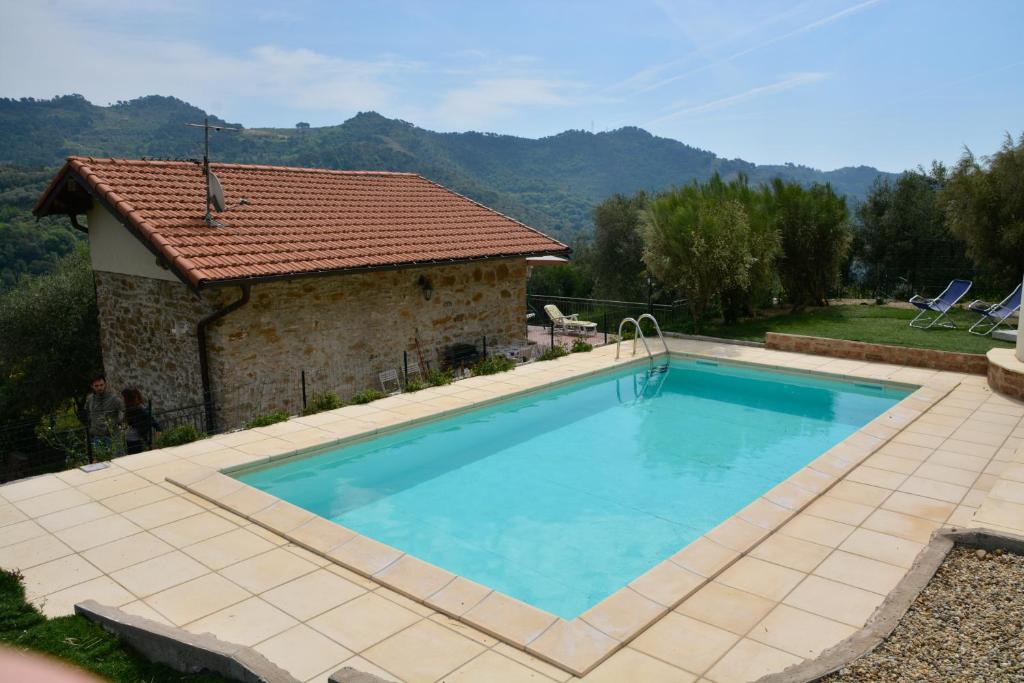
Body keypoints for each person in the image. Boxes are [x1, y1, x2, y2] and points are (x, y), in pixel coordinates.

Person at [83, 373, 124, 457]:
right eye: (96, 386)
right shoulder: (90, 399)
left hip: (112, 436)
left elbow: (123, 410)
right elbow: (86, 413)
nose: (99, 388)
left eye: (101, 385)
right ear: (92, 386)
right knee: (100, 461)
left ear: (105, 385)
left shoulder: (114, 398)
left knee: (117, 460)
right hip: (97, 436)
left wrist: (117, 422)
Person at [122, 386, 161, 454]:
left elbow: (156, 425)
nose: (122, 399)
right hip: (132, 439)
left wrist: (155, 443)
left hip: (135, 440)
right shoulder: (133, 408)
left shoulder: (137, 409)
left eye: (123, 397)